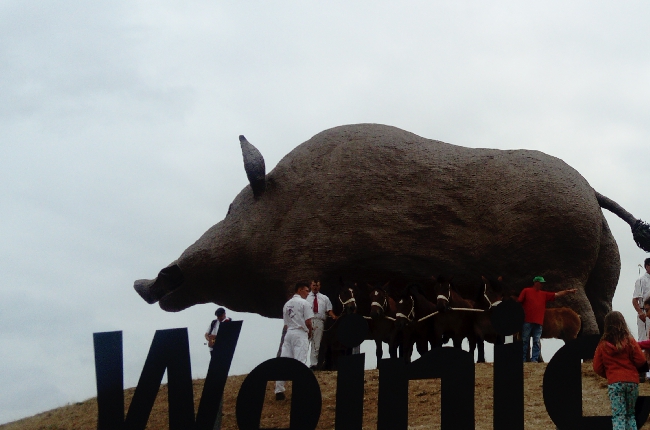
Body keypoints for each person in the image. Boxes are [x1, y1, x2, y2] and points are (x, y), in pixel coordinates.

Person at [593, 311, 647, 430]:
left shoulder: (602, 345)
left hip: (615, 383)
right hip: (632, 382)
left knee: (619, 416)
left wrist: (610, 374)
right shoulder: (630, 341)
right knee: (631, 415)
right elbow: (641, 360)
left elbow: (597, 367)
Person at [518, 276, 577, 363]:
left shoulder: (543, 294)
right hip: (527, 321)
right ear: (536, 282)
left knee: (536, 342)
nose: (542, 285)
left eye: (542, 283)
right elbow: (519, 302)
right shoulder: (526, 291)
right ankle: (523, 359)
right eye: (541, 283)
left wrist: (567, 292)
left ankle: (534, 360)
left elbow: (556, 295)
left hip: (538, 322)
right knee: (525, 341)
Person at [275, 281, 313, 401]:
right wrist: (310, 331)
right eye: (307, 290)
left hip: (289, 333)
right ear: (300, 290)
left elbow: (285, 324)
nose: (308, 293)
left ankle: (279, 390)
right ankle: (299, 389)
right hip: (300, 333)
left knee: (285, 361)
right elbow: (308, 321)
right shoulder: (304, 303)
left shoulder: (287, 304)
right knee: (300, 361)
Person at [204, 307, 231, 429]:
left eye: (220, 315)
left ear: (224, 314)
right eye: (218, 316)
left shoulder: (228, 321)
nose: (219, 317)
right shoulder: (214, 322)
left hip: (223, 347)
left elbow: (228, 335)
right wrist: (210, 340)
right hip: (213, 347)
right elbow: (207, 333)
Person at [306, 280, 336, 369]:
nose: (315, 287)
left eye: (317, 285)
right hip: (308, 320)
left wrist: (334, 316)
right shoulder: (306, 297)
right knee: (304, 342)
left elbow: (329, 310)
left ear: (320, 286)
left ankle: (313, 364)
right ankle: (300, 362)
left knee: (316, 344)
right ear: (311, 285)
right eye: (314, 285)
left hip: (319, 321)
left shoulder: (324, 298)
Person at [632, 258, 650, 342]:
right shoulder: (641, 280)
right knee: (644, 338)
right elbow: (635, 300)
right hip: (645, 312)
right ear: (647, 266)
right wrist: (640, 312)